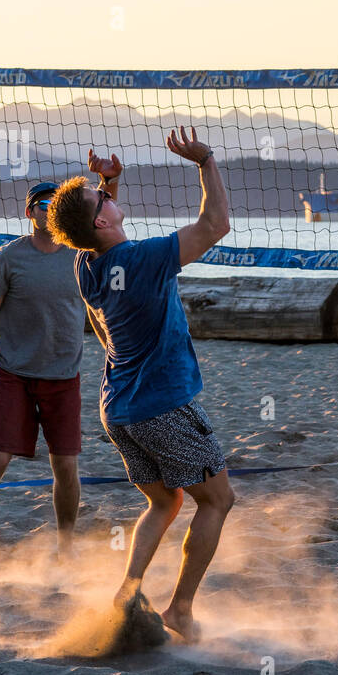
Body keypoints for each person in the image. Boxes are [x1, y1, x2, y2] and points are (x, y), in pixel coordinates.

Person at [46, 127, 234, 641]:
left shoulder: (87, 263)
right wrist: (206, 161)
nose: (104, 192)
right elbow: (216, 223)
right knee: (217, 501)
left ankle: (128, 590)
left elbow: (95, 228)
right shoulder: (144, 259)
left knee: (164, 501)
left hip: (119, 412)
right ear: (103, 219)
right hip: (162, 406)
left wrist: (109, 182)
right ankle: (181, 609)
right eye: (98, 194)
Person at [0, 173, 110, 561]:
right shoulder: (8, 259)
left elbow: (103, 223)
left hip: (63, 376)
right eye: (44, 205)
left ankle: (66, 550)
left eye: (56, 204)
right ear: (30, 213)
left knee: (66, 467)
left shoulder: (79, 256)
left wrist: (113, 350)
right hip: (14, 374)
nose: (50, 210)